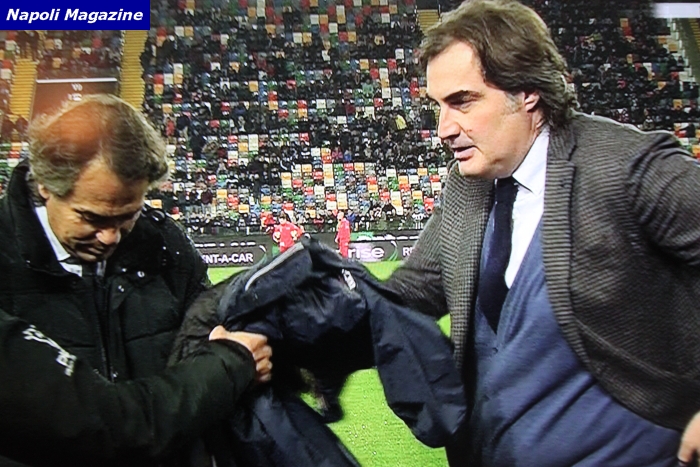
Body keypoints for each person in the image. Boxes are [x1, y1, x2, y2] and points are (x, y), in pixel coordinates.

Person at [386, 1, 700, 466]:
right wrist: (291, 331)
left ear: (527, 92)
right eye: (438, 107)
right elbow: (405, 296)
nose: (443, 129)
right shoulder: (467, 188)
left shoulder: (626, 167)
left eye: (462, 101)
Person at [0, 94, 271, 466]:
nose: (110, 237)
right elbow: (101, 425)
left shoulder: (164, 244)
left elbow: (208, 345)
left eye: (128, 214)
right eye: (92, 218)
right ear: (45, 184)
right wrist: (232, 364)